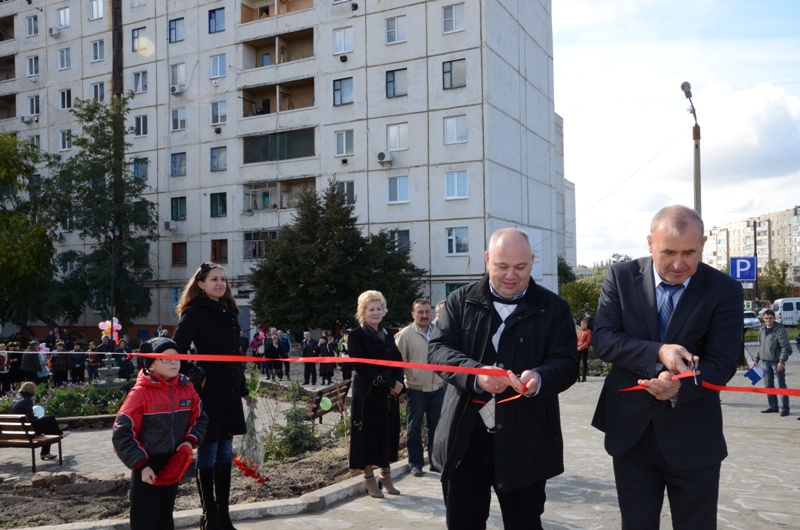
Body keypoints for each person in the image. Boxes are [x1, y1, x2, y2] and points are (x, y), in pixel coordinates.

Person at [591, 205, 743, 529]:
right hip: (631, 433)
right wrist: (658, 352)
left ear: (703, 243)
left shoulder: (724, 289)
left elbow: (723, 361)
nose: (678, 263)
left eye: (689, 252)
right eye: (668, 252)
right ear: (649, 243)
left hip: (694, 435)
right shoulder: (620, 277)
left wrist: (680, 386)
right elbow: (604, 339)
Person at [429, 227, 578, 530]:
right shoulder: (459, 302)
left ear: (532, 261)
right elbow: (438, 351)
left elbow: (566, 363)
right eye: (502, 266)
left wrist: (539, 377)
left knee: (524, 523)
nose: (511, 275)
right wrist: (475, 374)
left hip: (526, 441)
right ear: (487, 260)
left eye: (520, 267)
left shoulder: (554, 309)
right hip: (465, 439)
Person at [173, 262, 250, 530]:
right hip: (209, 390)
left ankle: (224, 515)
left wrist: (243, 388)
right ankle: (210, 517)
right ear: (201, 284)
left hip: (229, 389)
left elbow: (234, 356)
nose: (220, 283)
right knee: (208, 453)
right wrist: (195, 373)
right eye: (214, 279)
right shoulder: (194, 312)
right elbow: (176, 350)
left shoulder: (229, 311)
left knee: (226, 453)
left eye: (223, 279)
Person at [112, 337, 208, 530]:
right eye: (166, 359)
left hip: (174, 462)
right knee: (145, 519)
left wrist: (189, 442)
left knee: (165, 517)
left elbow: (200, 419)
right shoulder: (140, 393)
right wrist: (141, 465)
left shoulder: (186, 387)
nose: (174, 362)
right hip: (147, 465)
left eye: (177, 357)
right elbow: (122, 433)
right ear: (152, 365)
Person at [348, 290, 405, 499]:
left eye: (379, 308)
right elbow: (362, 367)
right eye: (371, 309)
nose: (376, 312)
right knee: (368, 436)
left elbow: (397, 360)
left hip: (388, 395)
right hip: (368, 393)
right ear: (363, 312)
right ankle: (368, 478)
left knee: (387, 433)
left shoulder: (389, 333)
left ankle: (386, 476)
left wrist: (399, 384)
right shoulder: (356, 335)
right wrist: (390, 383)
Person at [395, 298, 444, 477]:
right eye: (420, 312)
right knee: (414, 428)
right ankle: (415, 464)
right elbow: (396, 364)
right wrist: (400, 390)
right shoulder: (405, 335)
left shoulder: (439, 331)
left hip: (438, 387)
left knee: (436, 427)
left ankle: (435, 462)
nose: (424, 315)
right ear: (413, 314)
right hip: (416, 389)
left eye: (426, 312)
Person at [10, 381, 64, 461]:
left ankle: (45, 453)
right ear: (32, 390)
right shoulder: (27, 400)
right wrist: (37, 417)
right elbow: (31, 419)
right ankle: (59, 433)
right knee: (51, 418)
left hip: (18, 430)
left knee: (49, 427)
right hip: (28, 431)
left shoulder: (15, 399)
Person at [754, 309, 793, 416]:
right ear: (763, 318)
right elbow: (760, 346)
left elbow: (786, 347)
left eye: (770, 318)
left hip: (777, 362)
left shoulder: (779, 330)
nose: (768, 320)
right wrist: (756, 359)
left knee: (781, 385)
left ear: (774, 318)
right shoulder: (761, 330)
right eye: (766, 318)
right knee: (768, 385)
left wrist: (782, 361)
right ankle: (773, 406)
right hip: (765, 362)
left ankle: (785, 408)